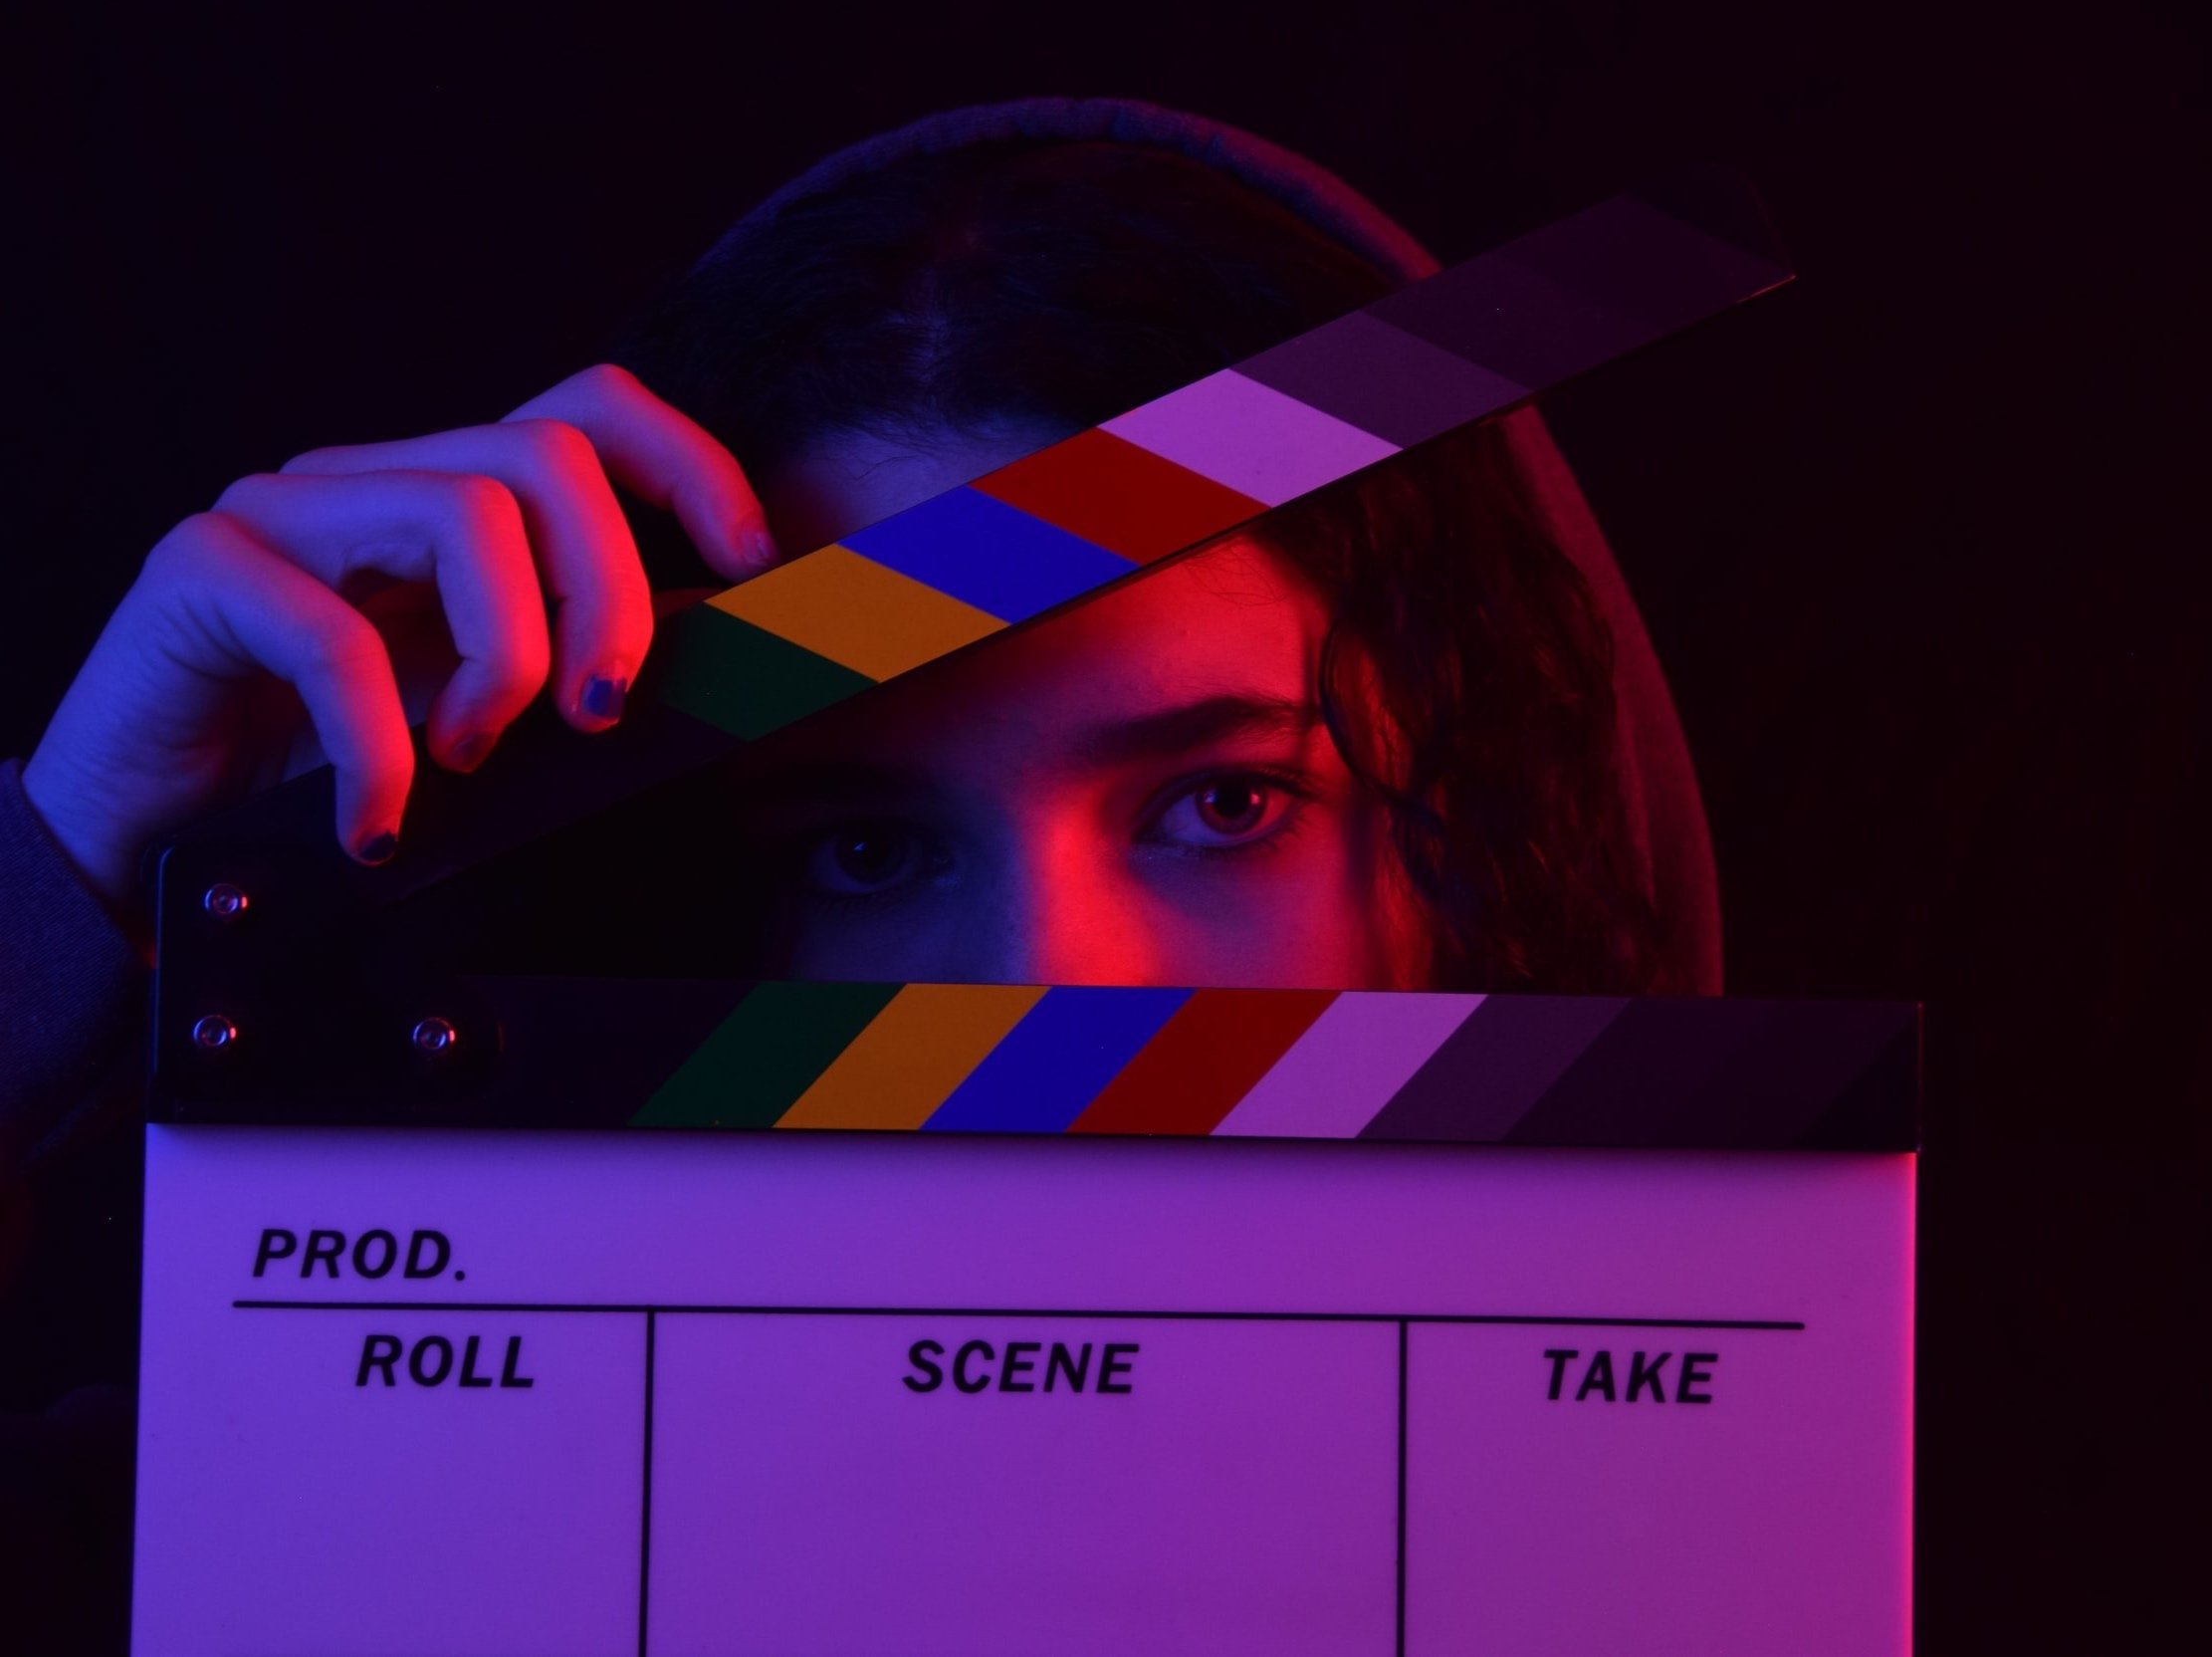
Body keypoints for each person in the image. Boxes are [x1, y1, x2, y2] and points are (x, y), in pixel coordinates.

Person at [0, 98, 1720, 1641]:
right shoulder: (273, 1540)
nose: (1044, 995)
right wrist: (54, 898)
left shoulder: (1764, 1521)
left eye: (1225, 807)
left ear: (1490, 835)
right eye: (867, 848)